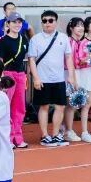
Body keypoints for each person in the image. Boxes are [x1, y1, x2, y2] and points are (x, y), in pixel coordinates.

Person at [28, 10, 74, 147]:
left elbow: (68, 57)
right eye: (44, 21)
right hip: (42, 79)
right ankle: (44, 135)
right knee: (44, 107)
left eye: (50, 20)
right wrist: (36, 78)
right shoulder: (35, 39)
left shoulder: (63, 38)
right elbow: (31, 60)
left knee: (60, 107)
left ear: (56, 22)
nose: (47, 23)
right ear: (41, 22)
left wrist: (71, 75)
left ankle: (55, 134)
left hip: (59, 79)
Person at [0, 13, 29, 148]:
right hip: (8, 74)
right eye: (14, 22)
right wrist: (1, 78)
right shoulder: (3, 41)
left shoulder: (24, 39)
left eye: (19, 22)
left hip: (21, 74)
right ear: (8, 24)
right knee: (7, 106)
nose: (17, 24)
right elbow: (0, 61)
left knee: (19, 107)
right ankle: (7, 138)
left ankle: (17, 137)